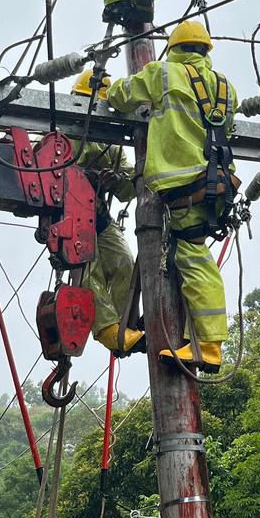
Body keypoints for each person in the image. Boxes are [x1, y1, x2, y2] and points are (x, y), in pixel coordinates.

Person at [105, 21, 238, 372]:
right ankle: (197, 341)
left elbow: (121, 96)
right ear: (206, 51)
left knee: (193, 258)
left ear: (175, 49)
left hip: (185, 183)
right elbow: (229, 130)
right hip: (218, 184)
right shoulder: (225, 87)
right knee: (189, 252)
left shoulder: (164, 74)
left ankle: (208, 346)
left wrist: (105, 89)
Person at [71, 70, 144, 355]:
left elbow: (129, 190)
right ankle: (108, 329)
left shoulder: (110, 144)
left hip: (98, 216)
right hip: (69, 215)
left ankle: (127, 321)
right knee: (90, 268)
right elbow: (55, 172)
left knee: (125, 261)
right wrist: (88, 177)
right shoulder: (67, 133)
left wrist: (118, 181)